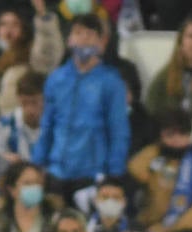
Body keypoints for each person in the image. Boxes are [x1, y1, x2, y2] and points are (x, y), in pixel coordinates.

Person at [31, 14, 128, 201]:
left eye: (90, 34)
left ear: (101, 42)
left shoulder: (111, 82)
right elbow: (47, 125)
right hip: (56, 171)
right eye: (78, 33)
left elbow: (118, 130)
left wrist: (114, 173)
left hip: (91, 174)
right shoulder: (56, 78)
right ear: (69, 40)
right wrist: (38, 162)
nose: (83, 39)